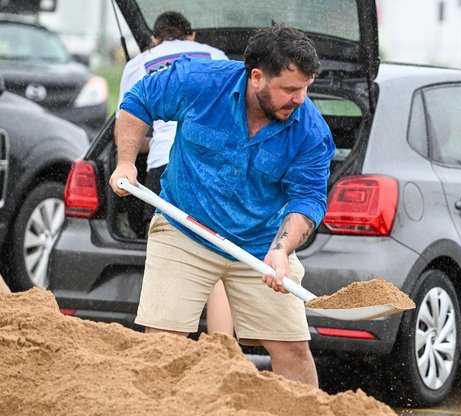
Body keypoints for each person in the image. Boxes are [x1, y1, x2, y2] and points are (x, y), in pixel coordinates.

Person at [110, 24, 335, 387]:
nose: (299, 99)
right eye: (289, 89)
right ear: (257, 78)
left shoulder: (309, 130)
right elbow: (139, 99)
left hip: (261, 243)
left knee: (293, 349)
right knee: (162, 344)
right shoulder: (200, 82)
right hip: (185, 227)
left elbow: (308, 199)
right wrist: (126, 162)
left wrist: (280, 251)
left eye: (305, 90)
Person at [116, 11, 233, 337]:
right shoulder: (216, 56)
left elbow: (129, 122)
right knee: (216, 252)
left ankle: (167, 342)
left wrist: (142, 149)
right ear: (191, 36)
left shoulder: (140, 64)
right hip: (210, 164)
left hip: (164, 167)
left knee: (173, 255)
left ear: (154, 39)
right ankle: (222, 347)